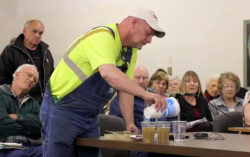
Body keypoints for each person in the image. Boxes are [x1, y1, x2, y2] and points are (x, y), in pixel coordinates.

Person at [40, 8, 167, 157]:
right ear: (133, 22)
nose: (149, 40)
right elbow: (109, 74)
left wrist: (129, 122)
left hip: (90, 116)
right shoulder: (102, 37)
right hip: (62, 110)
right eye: (149, 33)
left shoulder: (130, 52)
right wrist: (146, 94)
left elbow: (125, 89)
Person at [0, 19, 54, 103]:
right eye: (34, 31)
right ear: (24, 31)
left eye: (40, 33)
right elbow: (2, 79)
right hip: (20, 102)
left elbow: (52, 77)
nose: (37, 35)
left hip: (44, 102)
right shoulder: (10, 51)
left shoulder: (46, 52)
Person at [0, 64, 42, 157]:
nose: (32, 80)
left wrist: (18, 117)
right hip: (5, 146)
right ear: (17, 75)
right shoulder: (1, 94)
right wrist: (28, 130)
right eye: (29, 75)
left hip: (30, 145)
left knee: (50, 151)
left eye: (35, 80)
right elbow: (2, 124)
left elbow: (40, 126)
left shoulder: (34, 103)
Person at [109, 65, 149, 131]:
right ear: (130, 79)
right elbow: (116, 126)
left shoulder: (152, 100)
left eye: (144, 78)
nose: (141, 81)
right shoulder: (120, 101)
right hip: (134, 136)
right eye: (138, 78)